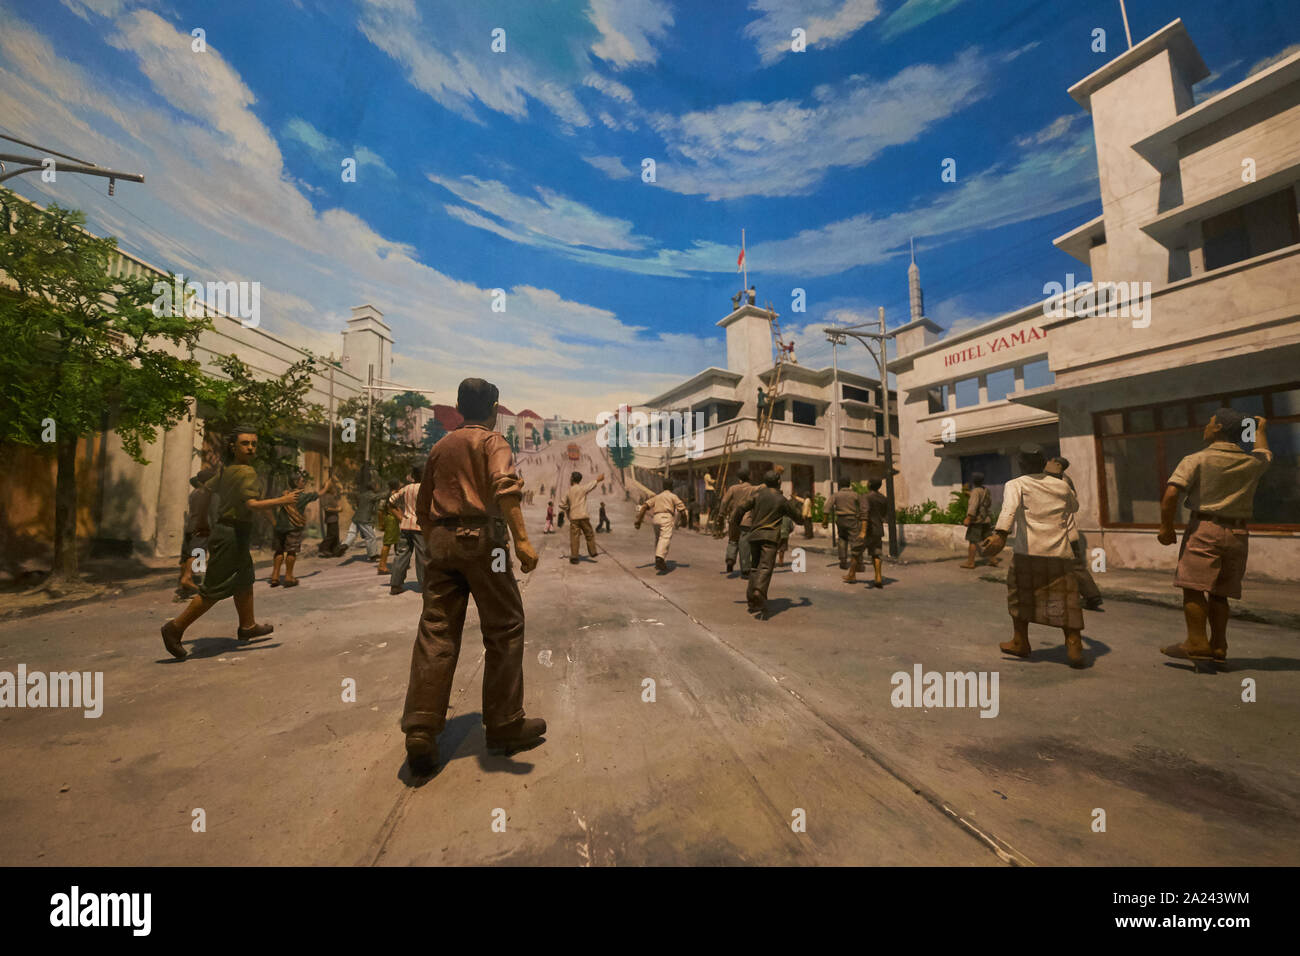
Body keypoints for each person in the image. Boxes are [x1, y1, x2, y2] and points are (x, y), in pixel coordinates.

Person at [402, 377, 543, 776]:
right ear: (495, 408)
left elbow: (426, 506)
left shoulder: (440, 446)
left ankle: (421, 729)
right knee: (505, 628)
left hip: (442, 545)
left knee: (436, 629)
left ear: (461, 407)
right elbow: (504, 487)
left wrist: (440, 541)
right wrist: (522, 541)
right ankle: (504, 725)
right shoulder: (492, 442)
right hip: (486, 545)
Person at [159, 426, 301, 660]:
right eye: (245, 443)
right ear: (233, 446)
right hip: (231, 536)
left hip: (232, 533)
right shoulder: (245, 472)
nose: (251, 447)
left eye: (254, 443)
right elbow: (251, 505)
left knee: (245, 579)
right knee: (213, 590)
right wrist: (283, 500)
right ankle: (174, 628)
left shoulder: (228, 470)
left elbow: (205, 490)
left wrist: (203, 521)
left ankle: (248, 626)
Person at [1157, 409, 1272, 667]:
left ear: (1218, 427)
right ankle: (1219, 645)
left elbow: (1171, 496)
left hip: (1205, 529)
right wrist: (1259, 431)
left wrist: (1166, 529)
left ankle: (1196, 642)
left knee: (1194, 588)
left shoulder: (1197, 459)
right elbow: (1265, 453)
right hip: (1239, 533)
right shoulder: (1251, 462)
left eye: (1209, 422)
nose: (1205, 427)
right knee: (1221, 593)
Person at [981, 444, 1087, 668]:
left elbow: (1008, 509)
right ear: (1043, 464)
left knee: (1019, 595)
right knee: (1067, 599)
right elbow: (1074, 507)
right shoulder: (1062, 486)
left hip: (1028, 553)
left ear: (1021, 465)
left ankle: (1021, 642)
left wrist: (999, 534)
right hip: (1060, 552)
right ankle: (1074, 643)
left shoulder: (1016, 484)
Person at [735, 471, 802, 618]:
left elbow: (740, 507)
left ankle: (752, 601)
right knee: (765, 566)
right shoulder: (782, 499)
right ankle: (759, 591)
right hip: (770, 538)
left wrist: (735, 523)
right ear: (778, 482)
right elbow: (799, 518)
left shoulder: (758, 495)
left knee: (755, 567)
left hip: (754, 536)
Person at [1045, 457, 1101, 609]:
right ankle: (1091, 596)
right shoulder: (1066, 483)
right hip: (1069, 534)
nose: (1047, 462)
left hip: (1058, 535)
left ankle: (1071, 598)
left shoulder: (1057, 485)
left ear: (1057, 465)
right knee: (1074, 567)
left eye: (1051, 460)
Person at [270, 469, 317, 588]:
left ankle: (275, 576)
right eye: (302, 480)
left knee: (279, 551)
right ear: (296, 482)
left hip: (279, 526)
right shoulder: (301, 496)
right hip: (293, 528)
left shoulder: (284, 494)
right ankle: (288, 576)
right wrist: (327, 486)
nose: (304, 482)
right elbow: (318, 494)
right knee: (291, 552)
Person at [178, 467, 216, 596]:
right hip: (201, 526)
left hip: (190, 526)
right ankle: (187, 578)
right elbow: (213, 514)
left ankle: (183, 584)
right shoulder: (209, 494)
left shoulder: (195, 493)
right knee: (197, 552)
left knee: (186, 554)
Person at [389, 465, 426, 594]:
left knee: (402, 554)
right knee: (422, 556)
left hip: (405, 525)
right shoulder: (426, 489)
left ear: (413, 476)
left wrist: (400, 516)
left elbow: (391, 501)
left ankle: (395, 584)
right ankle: (424, 584)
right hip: (420, 527)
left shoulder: (406, 488)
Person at [845, 479, 888, 587]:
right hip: (878, 529)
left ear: (869, 484)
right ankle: (878, 577)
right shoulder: (883, 498)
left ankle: (851, 574)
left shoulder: (865, 497)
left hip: (867, 529)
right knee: (876, 553)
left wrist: (863, 531)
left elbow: (864, 513)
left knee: (855, 552)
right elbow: (884, 514)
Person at [635, 487, 686, 572]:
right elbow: (682, 510)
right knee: (665, 537)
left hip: (656, 518)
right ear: (671, 486)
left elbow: (644, 506)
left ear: (662, 487)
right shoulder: (673, 496)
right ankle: (660, 558)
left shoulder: (657, 497)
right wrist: (684, 521)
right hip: (666, 517)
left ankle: (658, 558)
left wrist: (639, 521)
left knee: (658, 539)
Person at [720, 469, 759, 574]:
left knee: (733, 540)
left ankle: (730, 561)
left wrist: (721, 514)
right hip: (747, 520)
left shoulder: (733, 488)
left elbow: (724, 502)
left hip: (733, 519)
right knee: (745, 544)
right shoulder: (754, 489)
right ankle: (745, 569)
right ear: (749, 477)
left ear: (739, 478)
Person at [562, 469, 605, 564]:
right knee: (589, 534)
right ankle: (593, 552)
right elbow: (591, 485)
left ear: (572, 479)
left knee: (574, 537)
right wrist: (598, 480)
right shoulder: (582, 488)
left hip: (574, 518)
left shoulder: (568, 491)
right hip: (584, 516)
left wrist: (568, 509)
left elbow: (562, 504)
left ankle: (574, 556)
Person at [961, 472, 999, 569]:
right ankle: (993, 559)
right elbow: (988, 503)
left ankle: (970, 562)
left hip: (976, 520)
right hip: (985, 519)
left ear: (973, 481)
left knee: (972, 541)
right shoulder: (986, 490)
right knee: (988, 541)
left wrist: (969, 517)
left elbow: (973, 505)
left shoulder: (975, 491)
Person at [342, 472, 381, 561]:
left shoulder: (363, 495)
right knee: (370, 537)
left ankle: (345, 545)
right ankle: (372, 555)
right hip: (364, 519)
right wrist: (391, 490)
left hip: (356, 517)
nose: (378, 487)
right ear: (373, 487)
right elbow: (382, 496)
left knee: (352, 533)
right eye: (377, 485)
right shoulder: (371, 495)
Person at [825, 478, 860, 571]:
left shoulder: (836, 495)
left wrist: (824, 521)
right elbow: (862, 506)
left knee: (842, 538)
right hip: (852, 519)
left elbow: (827, 507)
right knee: (854, 540)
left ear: (840, 485)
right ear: (849, 484)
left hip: (840, 519)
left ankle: (843, 560)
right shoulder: (855, 495)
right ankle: (856, 561)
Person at [377, 479, 400, 576]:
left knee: (396, 542)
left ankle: (398, 564)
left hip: (393, 520)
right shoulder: (392, 495)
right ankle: (382, 566)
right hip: (391, 520)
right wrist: (381, 523)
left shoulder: (388, 495)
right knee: (387, 543)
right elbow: (380, 510)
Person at [318, 473, 343, 557]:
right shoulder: (325, 496)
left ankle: (335, 551)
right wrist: (337, 509)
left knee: (335, 535)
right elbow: (327, 508)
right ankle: (323, 549)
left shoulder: (330, 495)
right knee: (331, 535)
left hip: (334, 518)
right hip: (330, 518)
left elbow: (339, 489)